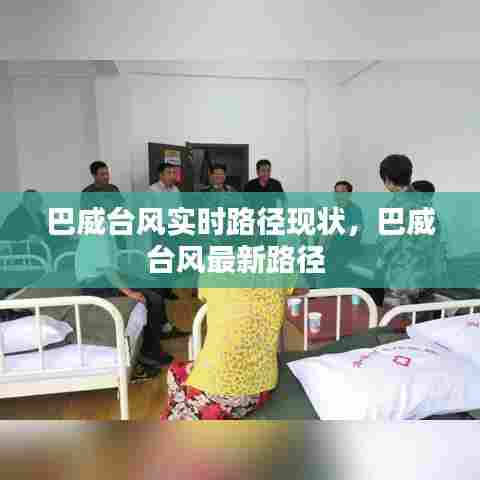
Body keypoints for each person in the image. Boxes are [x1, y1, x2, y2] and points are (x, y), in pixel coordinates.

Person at [75, 194, 190, 369]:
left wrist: (134, 277)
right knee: (152, 299)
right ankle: (149, 352)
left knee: (154, 283)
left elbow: (108, 265)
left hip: (102, 278)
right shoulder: (98, 230)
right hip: (96, 285)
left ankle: (162, 328)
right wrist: (129, 292)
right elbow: (107, 270)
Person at [161, 285, 298, 420]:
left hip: (226, 390)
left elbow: (203, 295)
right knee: (175, 371)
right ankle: (184, 406)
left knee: (176, 415)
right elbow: (302, 288)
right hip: (261, 383)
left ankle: (184, 409)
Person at [377, 155, 447, 329]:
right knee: (424, 331)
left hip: (402, 280)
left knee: (395, 332)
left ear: (388, 180)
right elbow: (435, 239)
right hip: (426, 278)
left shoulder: (394, 206)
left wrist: (380, 264)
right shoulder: (426, 203)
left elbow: (386, 245)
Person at [0, 189, 74, 257]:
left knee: (60, 235)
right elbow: (6, 233)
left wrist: (64, 229)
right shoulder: (16, 215)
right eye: (35, 200)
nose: (39, 203)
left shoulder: (39, 215)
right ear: (25, 201)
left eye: (39, 200)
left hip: (40, 244)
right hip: (25, 248)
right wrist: (27, 236)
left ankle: (70, 245)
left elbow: (45, 230)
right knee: (57, 241)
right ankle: (68, 247)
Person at [148, 163, 181, 300]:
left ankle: (168, 290)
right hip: (158, 230)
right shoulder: (152, 190)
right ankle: (158, 291)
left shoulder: (176, 190)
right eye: (169, 173)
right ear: (161, 175)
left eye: (174, 173)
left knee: (171, 260)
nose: (172, 176)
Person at [323, 181, 364, 287]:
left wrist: (338, 231)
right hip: (335, 245)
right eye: (336, 192)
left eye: (342, 192)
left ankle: (336, 287)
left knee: (333, 261)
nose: (339, 195)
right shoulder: (333, 211)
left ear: (349, 194)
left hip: (348, 244)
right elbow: (328, 231)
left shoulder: (354, 209)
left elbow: (358, 228)